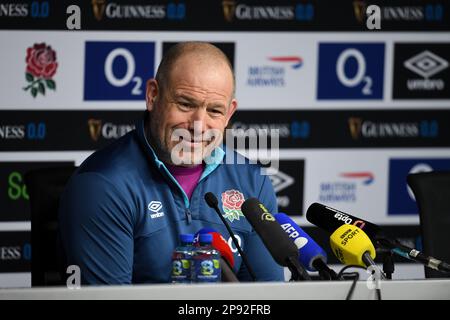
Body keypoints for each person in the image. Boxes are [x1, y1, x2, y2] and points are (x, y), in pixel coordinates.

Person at [59, 42, 284, 284]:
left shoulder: (253, 182)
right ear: (153, 95)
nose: (198, 125)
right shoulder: (102, 185)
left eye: (215, 111)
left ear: (229, 114)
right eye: (186, 104)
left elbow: (264, 298)